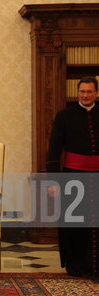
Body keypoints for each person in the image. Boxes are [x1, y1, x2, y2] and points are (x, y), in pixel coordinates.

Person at [47, 76, 99, 277]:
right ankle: (77, 265)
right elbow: (53, 150)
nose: (85, 95)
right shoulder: (64, 116)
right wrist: (53, 181)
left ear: (95, 93)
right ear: (78, 93)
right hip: (73, 176)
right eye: (82, 92)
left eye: (89, 92)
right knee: (75, 224)